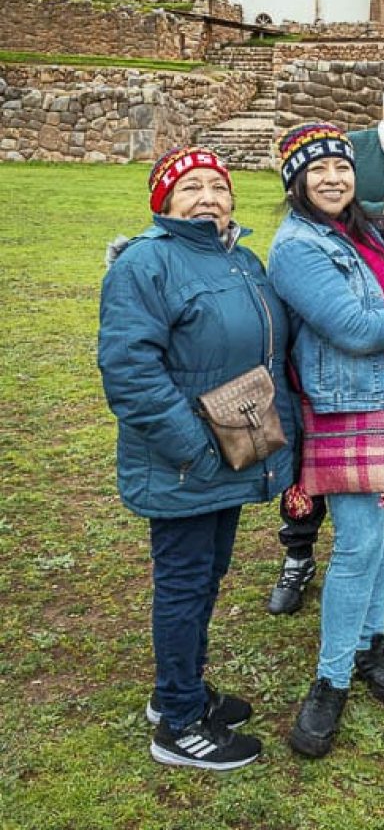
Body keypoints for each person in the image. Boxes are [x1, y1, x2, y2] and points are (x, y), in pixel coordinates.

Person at [98, 146, 298, 771]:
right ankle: (180, 726)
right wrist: (193, 448)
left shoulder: (242, 259)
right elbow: (129, 370)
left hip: (231, 456)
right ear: (164, 203)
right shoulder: (145, 264)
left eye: (218, 186)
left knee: (206, 578)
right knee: (184, 586)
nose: (208, 197)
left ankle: (175, 692)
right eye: (191, 188)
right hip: (188, 462)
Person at [266, 123, 384, 758]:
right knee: (358, 544)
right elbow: (351, 328)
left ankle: (371, 641)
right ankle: (331, 679)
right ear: (294, 181)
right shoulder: (297, 246)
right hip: (348, 409)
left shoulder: (361, 228)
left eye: (340, 167)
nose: (332, 179)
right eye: (315, 171)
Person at [267, 50, 384, 615]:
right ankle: (298, 557)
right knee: (313, 468)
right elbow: (336, 227)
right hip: (343, 352)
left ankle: (373, 574)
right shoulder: (345, 153)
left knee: (375, 494)